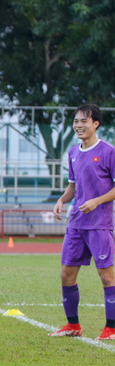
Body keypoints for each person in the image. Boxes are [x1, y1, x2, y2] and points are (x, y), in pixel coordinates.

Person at [49, 104, 115, 341]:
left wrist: (97, 201)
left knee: (107, 276)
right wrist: (62, 200)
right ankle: (72, 325)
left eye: (83, 121)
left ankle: (111, 328)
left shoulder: (109, 151)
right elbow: (73, 186)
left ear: (95, 124)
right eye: (76, 121)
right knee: (66, 274)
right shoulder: (73, 152)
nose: (78, 125)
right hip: (76, 223)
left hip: (100, 224)